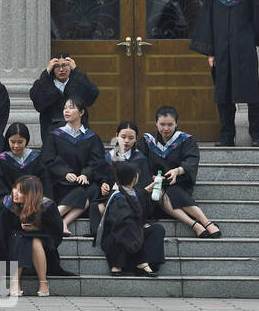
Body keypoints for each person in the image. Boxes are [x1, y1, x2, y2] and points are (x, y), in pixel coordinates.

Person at [190, 0, 259, 146]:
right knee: (223, 96)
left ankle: (256, 135)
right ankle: (227, 136)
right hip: (221, 54)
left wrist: (256, 36)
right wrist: (210, 51)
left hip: (244, 53)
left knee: (251, 94)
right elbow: (206, 24)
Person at [139, 106, 221, 238]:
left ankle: (204, 223)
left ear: (177, 123)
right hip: (154, 185)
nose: (166, 128)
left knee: (172, 190)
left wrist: (178, 171)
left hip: (178, 183)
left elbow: (192, 160)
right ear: (156, 123)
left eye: (170, 124)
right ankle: (199, 224)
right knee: (159, 191)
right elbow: (140, 163)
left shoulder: (185, 140)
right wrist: (152, 177)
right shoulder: (147, 140)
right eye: (162, 124)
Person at [41, 96, 104, 237]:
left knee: (92, 189)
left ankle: (62, 221)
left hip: (81, 184)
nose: (66, 111)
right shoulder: (55, 135)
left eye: (71, 107)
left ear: (81, 112)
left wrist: (85, 174)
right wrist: (65, 172)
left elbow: (96, 162)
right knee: (85, 192)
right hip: (61, 184)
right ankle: (55, 215)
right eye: (65, 108)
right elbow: (48, 158)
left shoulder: (91, 138)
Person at [95, 159, 165, 277]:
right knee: (125, 231)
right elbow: (123, 222)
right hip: (118, 236)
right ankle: (134, 262)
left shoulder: (128, 192)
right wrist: (140, 225)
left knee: (157, 229)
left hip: (132, 234)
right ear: (134, 178)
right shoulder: (118, 198)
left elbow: (139, 195)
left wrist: (152, 187)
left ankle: (142, 262)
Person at [0, 176, 64, 297]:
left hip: (44, 251)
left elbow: (56, 233)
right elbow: (2, 232)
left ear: (31, 194)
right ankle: (15, 281)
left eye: (21, 191)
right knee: (19, 237)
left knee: (35, 241)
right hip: (14, 247)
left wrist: (36, 229)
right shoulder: (8, 205)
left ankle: (43, 281)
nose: (15, 193)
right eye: (15, 189)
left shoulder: (46, 206)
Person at [88, 121, 153, 238]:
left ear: (136, 139)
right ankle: (98, 233)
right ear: (117, 135)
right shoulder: (109, 157)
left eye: (131, 138)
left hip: (132, 197)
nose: (126, 141)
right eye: (123, 137)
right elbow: (101, 175)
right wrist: (104, 184)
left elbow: (144, 184)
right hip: (112, 195)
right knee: (94, 206)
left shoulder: (140, 159)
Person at [30, 53, 99, 144]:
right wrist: (46, 73)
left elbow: (91, 95)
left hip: (77, 129)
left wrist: (77, 71)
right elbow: (38, 104)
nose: (61, 69)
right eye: (57, 66)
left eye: (65, 65)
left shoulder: (78, 81)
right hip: (51, 129)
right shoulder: (45, 83)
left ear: (70, 66)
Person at [0, 122, 50, 206]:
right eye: (13, 142)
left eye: (20, 142)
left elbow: (44, 184)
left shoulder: (35, 158)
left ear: (27, 140)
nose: (16, 145)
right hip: (10, 204)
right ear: (8, 140)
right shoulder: (2, 160)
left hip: (33, 202)